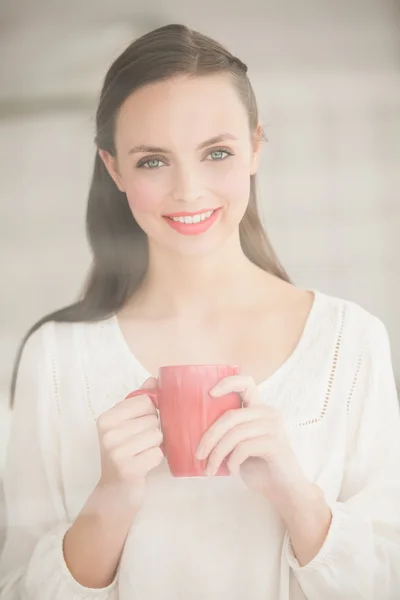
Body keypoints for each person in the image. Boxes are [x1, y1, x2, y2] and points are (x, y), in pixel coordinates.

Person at [0, 22, 399, 600]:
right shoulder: (58, 357)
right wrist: (111, 499)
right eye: (152, 161)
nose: (189, 190)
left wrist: (295, 493)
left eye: (217, 152)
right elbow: (17, 590)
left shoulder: (349, 342)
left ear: (256, 147)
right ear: (113, 169)